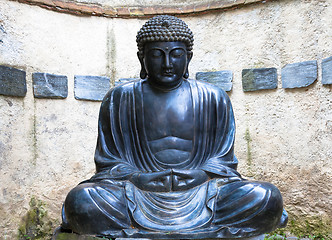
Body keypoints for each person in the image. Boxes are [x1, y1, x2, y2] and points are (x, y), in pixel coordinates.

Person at [61, 15, 287, 238]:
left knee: (266, 196)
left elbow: (223, 161)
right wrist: (138, 178)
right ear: (142, 59)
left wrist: (201, 174)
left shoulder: (213, 97)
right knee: (82, 200)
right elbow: (109, 162)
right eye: (157, 55)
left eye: (176, 55)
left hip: (202, 193)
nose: (168, 64)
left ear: (188, 58)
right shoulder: (120, 98)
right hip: (138, 193)